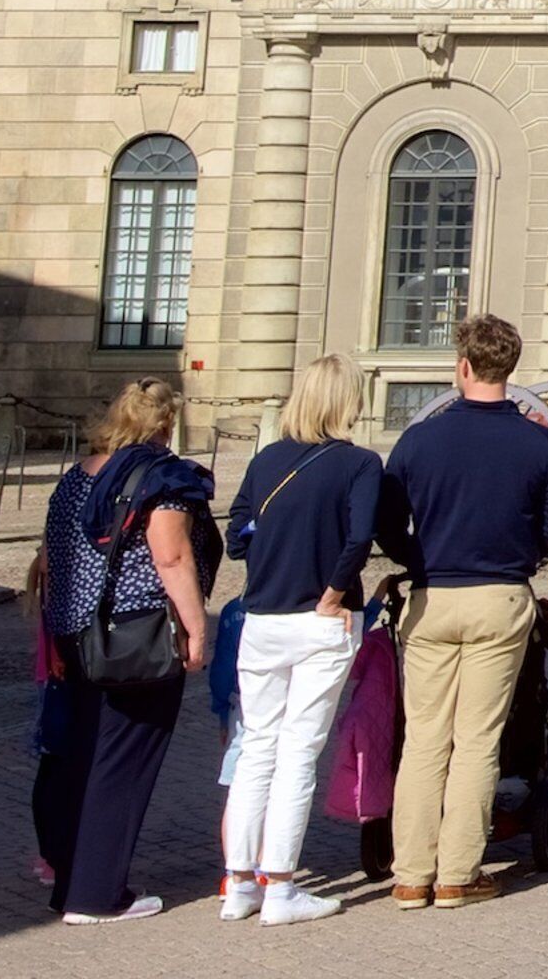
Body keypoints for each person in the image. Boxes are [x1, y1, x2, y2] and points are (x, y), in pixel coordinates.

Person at [375, 312, 548, 910]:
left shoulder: (420, 439)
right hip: (499, 595)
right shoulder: (539, 442)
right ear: (510, 369)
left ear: (462, 367)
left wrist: (419, 556)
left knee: (424, 739)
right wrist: (516, 556)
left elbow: (385, 521)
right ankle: (459, 873)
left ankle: (410, 873)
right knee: (479, 739)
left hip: (432, 596)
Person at [32, 378, 219, 923]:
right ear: (166, 424)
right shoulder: (162, 477)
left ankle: (71, 881)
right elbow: (172, 557)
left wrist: (55, 633)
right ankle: (95, 895)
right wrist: (196, 631)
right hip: (137, 637)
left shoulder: (76, 477)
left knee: (84, 759)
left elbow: (51, 559)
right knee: (123, 763)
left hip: (76, 631)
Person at [216, 355, 377, 926]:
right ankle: (279, 885)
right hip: (318, 619)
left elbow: (236, 534)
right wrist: (334, 592)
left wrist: (267, 548)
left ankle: (239, 883)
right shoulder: (359, 463)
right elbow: (361, 537)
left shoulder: (266, 460)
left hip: (263, 615)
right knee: (299, 754)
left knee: (257, 746)